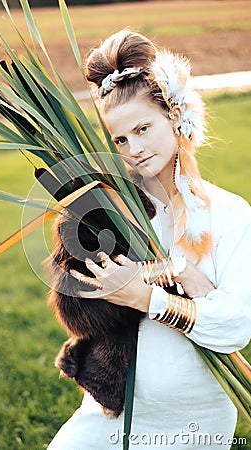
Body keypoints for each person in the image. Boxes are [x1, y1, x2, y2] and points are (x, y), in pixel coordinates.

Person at [47, 30, 251, 449]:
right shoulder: (108, 214)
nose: (134, 149)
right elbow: (75, 312)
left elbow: (234, 327)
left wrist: (148, 297)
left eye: (143, 128)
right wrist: (175, 277)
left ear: (175, 115)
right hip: (113, 408)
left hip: (193, 418)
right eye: (120, 139)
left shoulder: (229, 214)